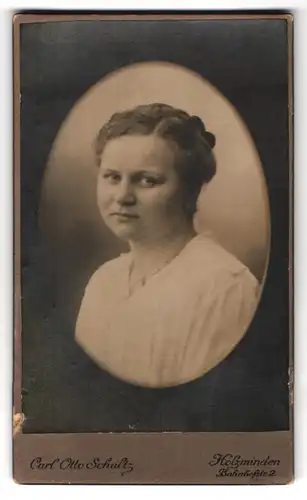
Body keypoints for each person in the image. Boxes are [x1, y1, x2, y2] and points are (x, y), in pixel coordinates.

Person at [75, 103, 259, 388]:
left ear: (188, 190)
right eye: (112, 177)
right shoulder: (104, 281)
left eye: (147, 180)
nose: (123, 196)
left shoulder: (225, 288)